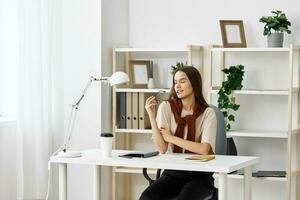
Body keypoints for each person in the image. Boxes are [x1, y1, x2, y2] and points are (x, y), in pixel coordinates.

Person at [140, 66, 217, 200]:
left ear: (194, 83)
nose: (177, 86)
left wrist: (171, 138)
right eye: (175, 82)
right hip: (173, 172)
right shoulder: (166, 107)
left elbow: (204, 150)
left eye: (182, 81)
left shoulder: (207, 113)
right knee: (147, 197)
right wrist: (151, 115)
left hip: (200, 175)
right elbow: (162, 148)